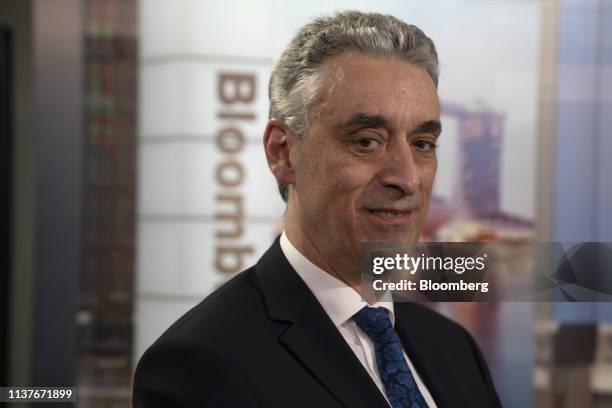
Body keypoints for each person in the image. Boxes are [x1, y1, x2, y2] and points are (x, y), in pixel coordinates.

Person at [133, 11, 501, 408]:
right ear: (282, 152)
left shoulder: (454, 348)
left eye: (422, 144)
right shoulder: (201, 363)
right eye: (367, 141)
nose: (407, 178)